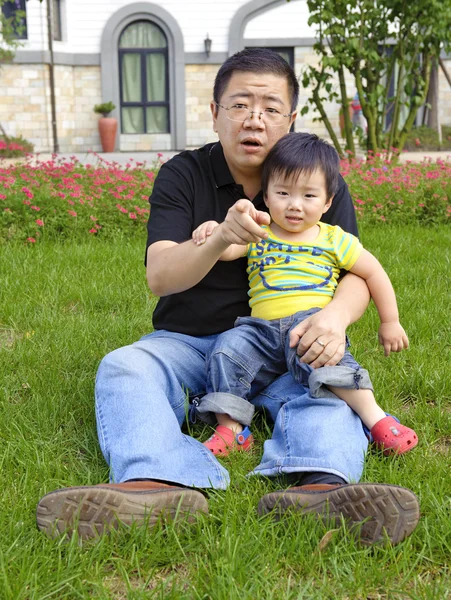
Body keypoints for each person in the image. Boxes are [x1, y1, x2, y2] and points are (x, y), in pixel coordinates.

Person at [36, 48, 419, 545]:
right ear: (215, 113)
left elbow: (355, 271)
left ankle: (323, 490)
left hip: (291, 344)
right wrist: (219, 238)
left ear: (290, 119)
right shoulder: (184, 174)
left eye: (270, 107)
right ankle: (154, 483)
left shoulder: (316, 181)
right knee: (125, 367)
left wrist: (334, 320)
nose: (254, 119)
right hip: (191, 343)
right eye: (240, 105)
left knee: (326, 392)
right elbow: (161, 275)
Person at [191, 133, 418, 457]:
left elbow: (373, 272)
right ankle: (231, 429)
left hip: (312, 323)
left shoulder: (334, 239)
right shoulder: (260, 233)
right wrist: (214, 231)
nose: (295, 204)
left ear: (328, 202)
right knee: (226, 350)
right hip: (260, 330)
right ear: (267, 196)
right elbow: (227, 250)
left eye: (309, 195)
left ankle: (378, 420)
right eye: (283, 193)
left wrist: (390, 321)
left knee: (330, 361)